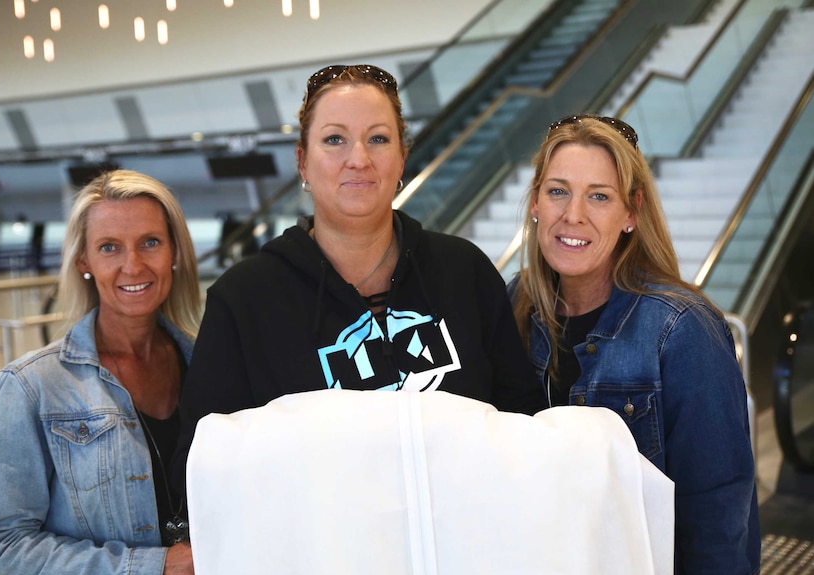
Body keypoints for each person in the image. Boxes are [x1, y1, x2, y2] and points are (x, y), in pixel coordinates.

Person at [173, 63, 544, 490]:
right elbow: (202, 461)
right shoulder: (244, 299)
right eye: (335, 139)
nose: (359, 159)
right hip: (323, 553)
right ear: (303, 162)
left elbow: (522, 421)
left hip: (462, 543)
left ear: (402, 156)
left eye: (378, 139)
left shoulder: (465, 271)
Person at [508, 114, 760, 573]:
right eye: (558, 190)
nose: (573, 214)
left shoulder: (681, 329)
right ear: (536, 204)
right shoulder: (515, 303)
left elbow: (718, 519)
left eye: (599, 196)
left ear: (631, 213)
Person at [0, 170, 200, 575]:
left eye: (150, 242)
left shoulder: (211, 365)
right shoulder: (32, 388)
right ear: (84, 261)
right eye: (109, 247)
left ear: (175, 252)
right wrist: (154, 566)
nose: (133, 265)